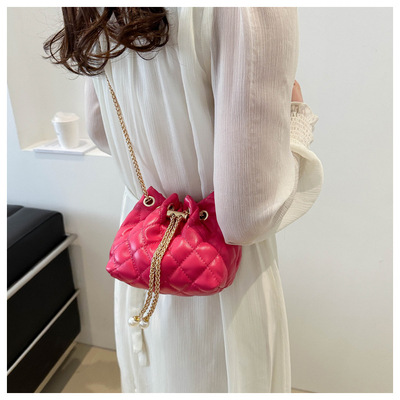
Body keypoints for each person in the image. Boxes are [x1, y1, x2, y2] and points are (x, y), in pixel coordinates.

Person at [44, 7, 323, 393]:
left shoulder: (98, 9)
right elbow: (246, 217)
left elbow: (100, 129)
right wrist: (297, 125)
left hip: (144, 250)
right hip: (222, 276)